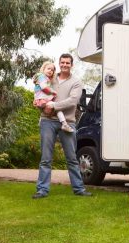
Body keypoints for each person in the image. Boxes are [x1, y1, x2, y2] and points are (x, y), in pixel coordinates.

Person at [32, 53, 92, 198]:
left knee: (72, 158)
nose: (65, 65)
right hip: (47, 121)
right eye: (62, 62)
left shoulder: (76, 82)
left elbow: (72, 101)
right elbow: (40, 93)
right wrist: (42, 107)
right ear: (59, 63)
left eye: (67, 63)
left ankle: (79, 189)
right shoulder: (49, 78)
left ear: (72, 65)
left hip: (68, 122)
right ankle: (42, 190)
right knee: (46, 158)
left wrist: (54, 105)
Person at [33, 61, 73, 133]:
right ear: (43, 69)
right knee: (57, 108)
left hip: (40, 99)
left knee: (47, 109)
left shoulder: (45, 78)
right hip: (42, 99)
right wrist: (53, 91)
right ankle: (64, 124)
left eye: (52, 70)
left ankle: (41, 121)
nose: (50, 71)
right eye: (48, 69)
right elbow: (43, 87)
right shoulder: (41, 76)